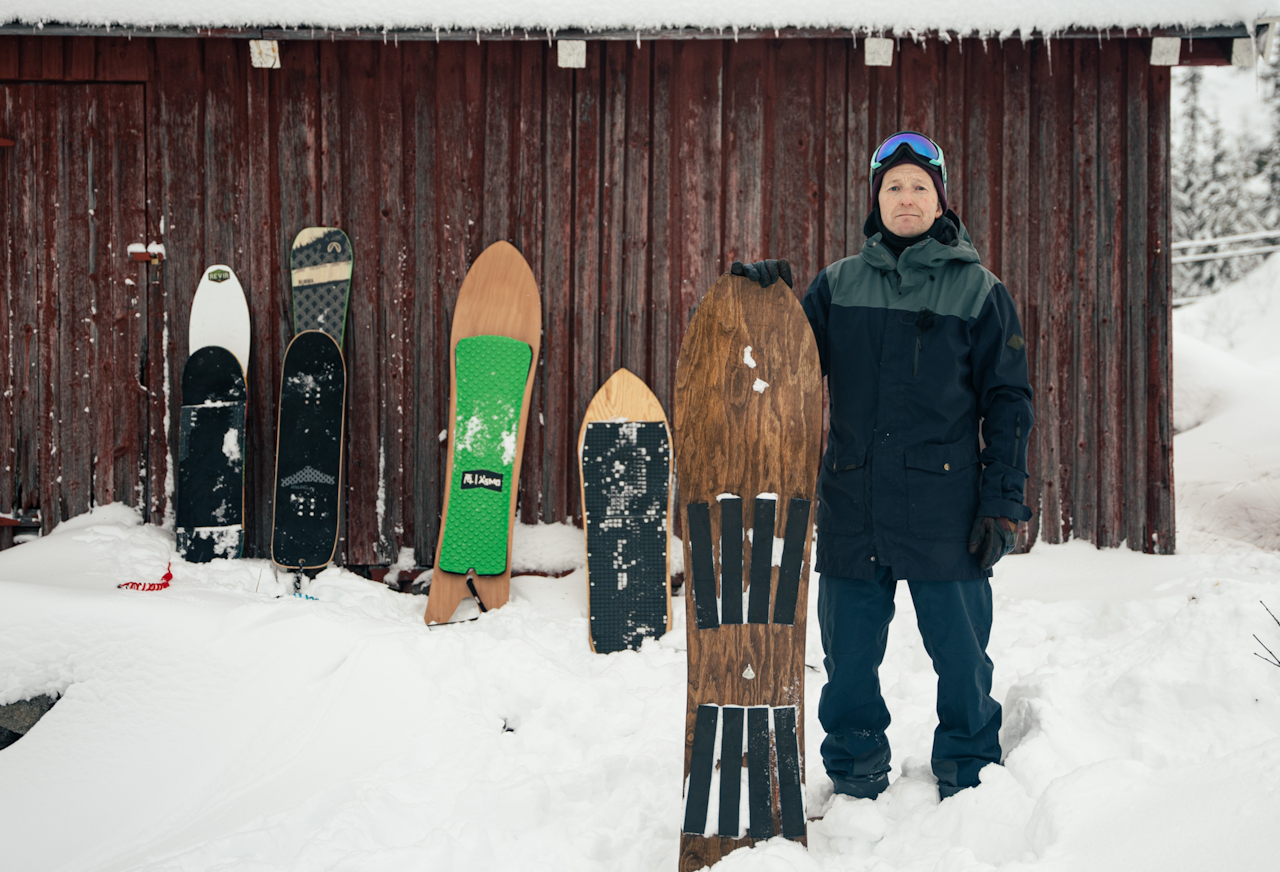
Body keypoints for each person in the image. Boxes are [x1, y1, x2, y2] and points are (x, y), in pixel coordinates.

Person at [731, 131, 1034, 800]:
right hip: (853, 506)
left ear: (939, 199)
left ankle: (969, 769)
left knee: (960, 658)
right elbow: (786, 371)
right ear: (876, 200)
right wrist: (764, 308)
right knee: (848, 665)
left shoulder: (980, 291)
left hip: (945, 511)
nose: (906, 197)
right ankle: (855, 769)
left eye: (919, 186)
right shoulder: (838, 285)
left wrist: (1002, 503)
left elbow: (1009, 404)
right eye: (893, 186)